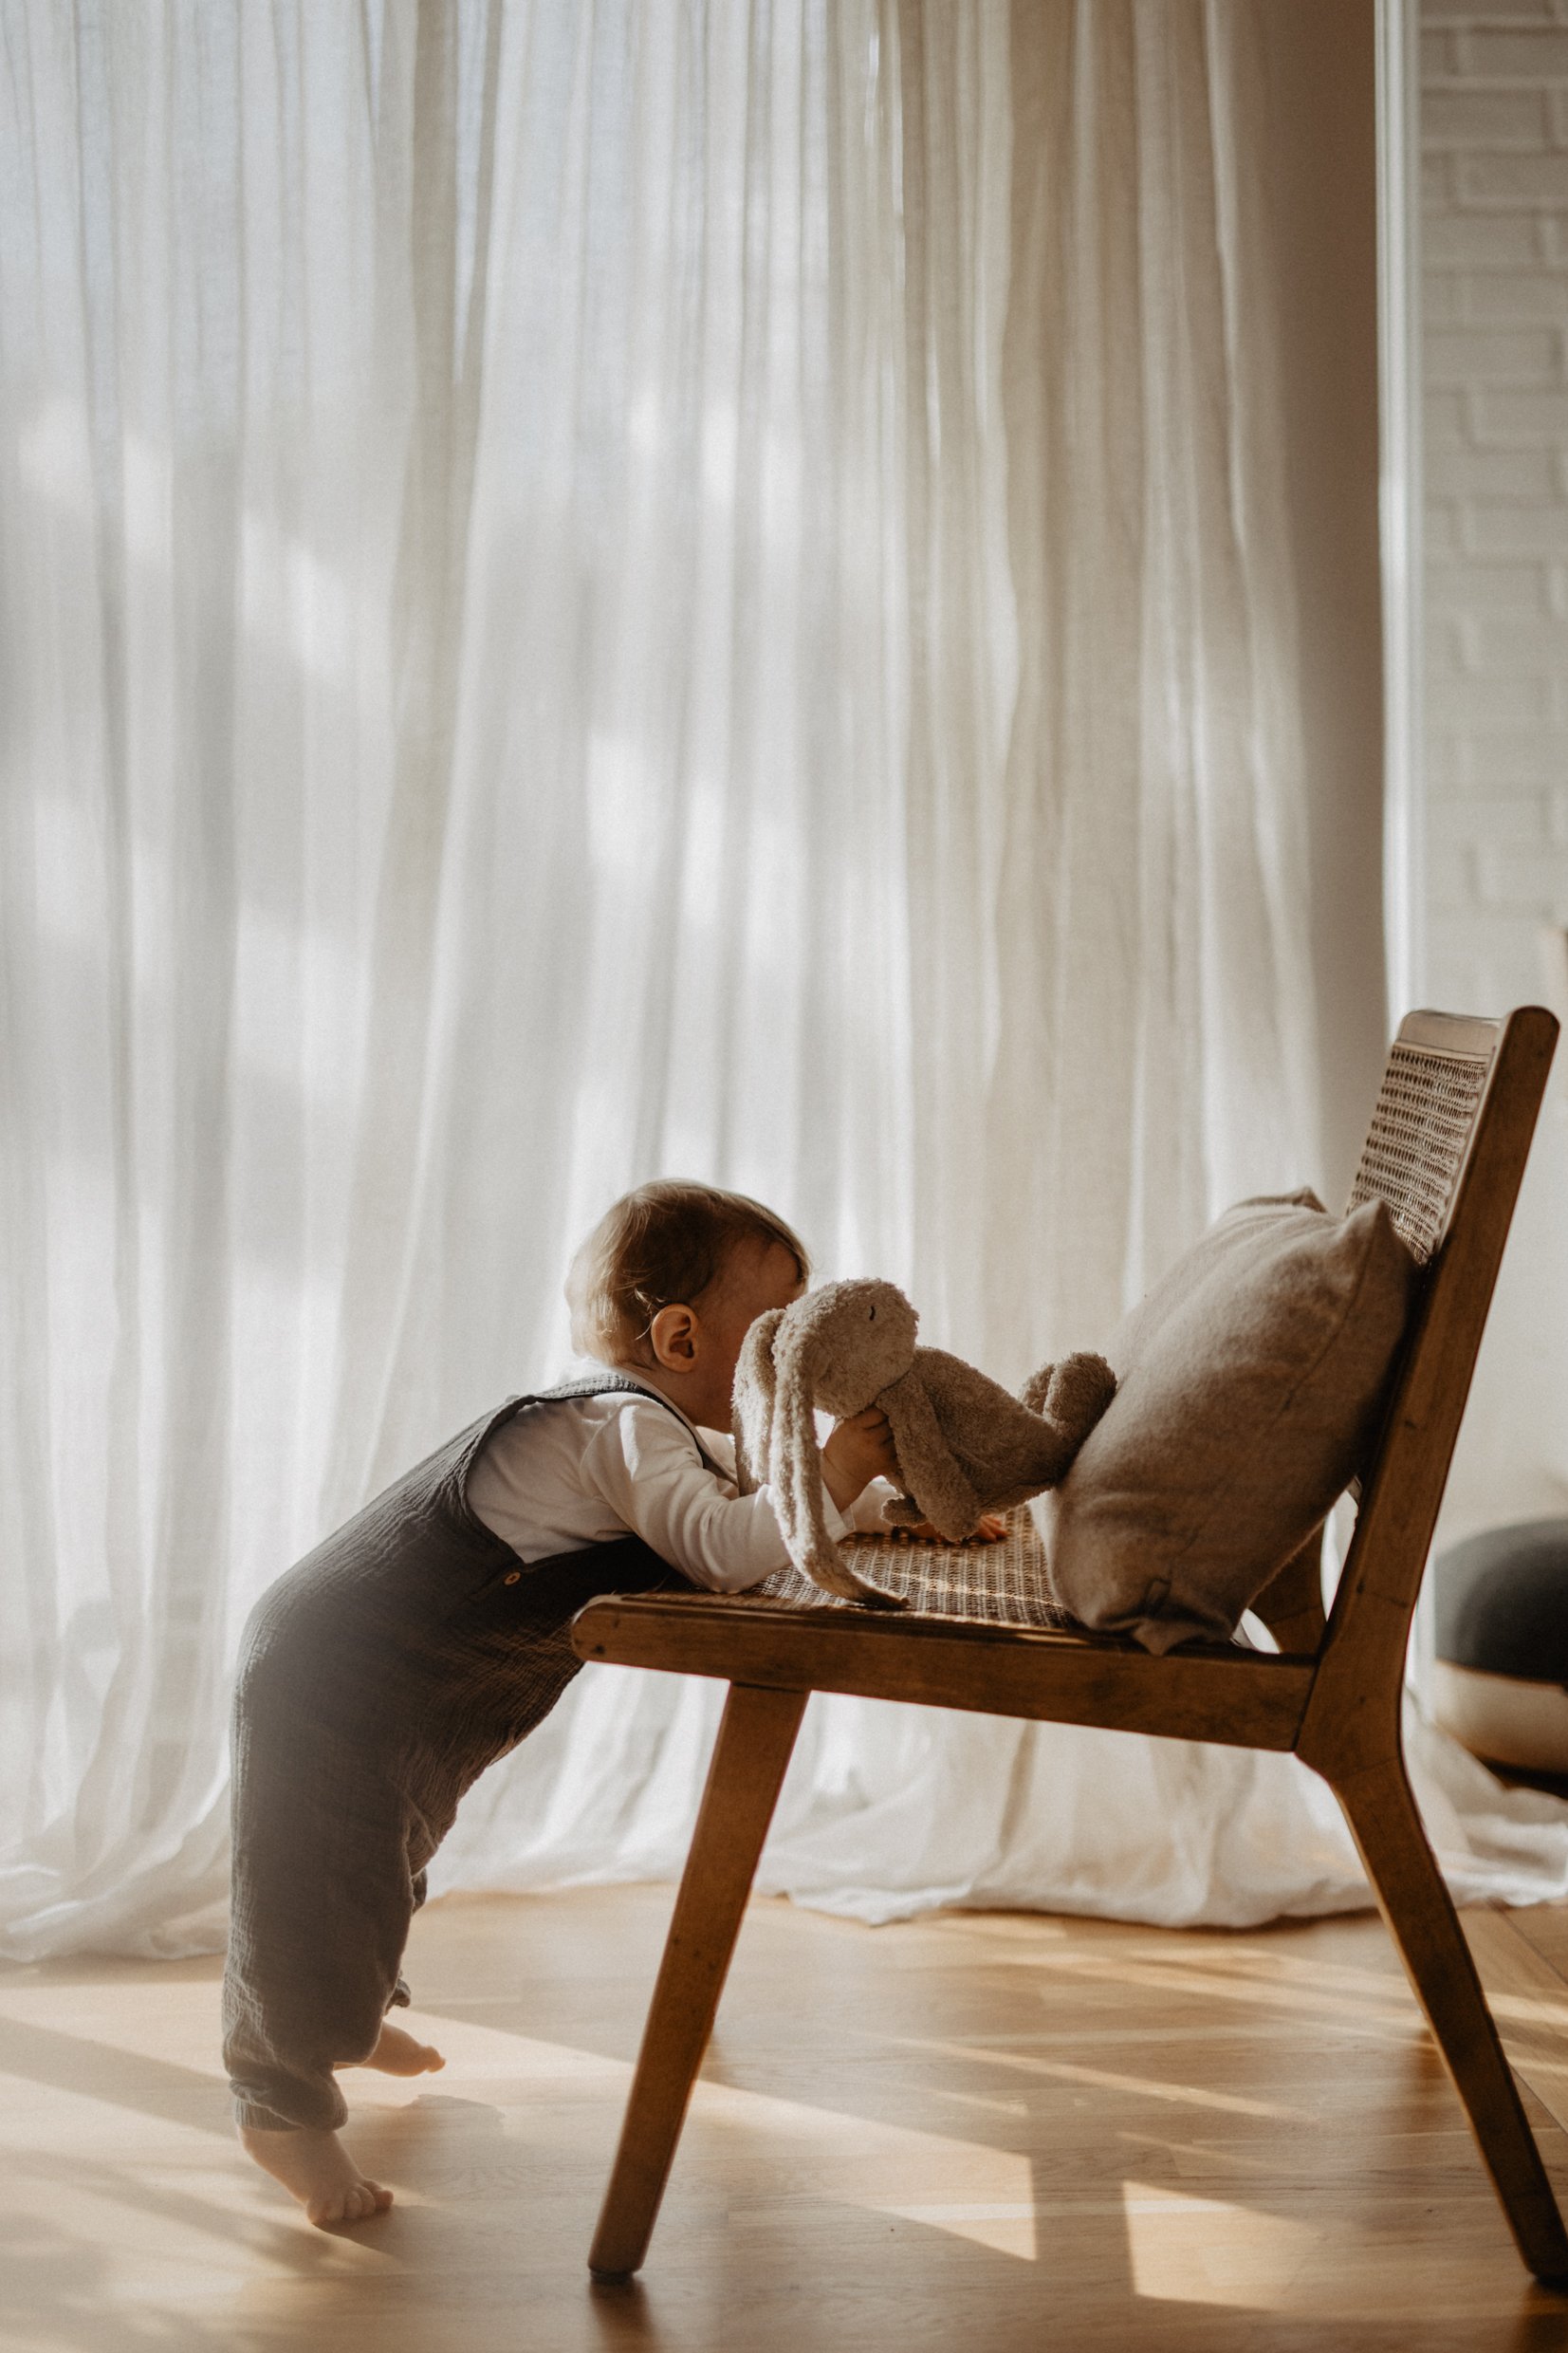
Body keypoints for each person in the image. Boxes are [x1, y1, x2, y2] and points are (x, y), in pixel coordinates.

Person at [224, 1180, 919, 2227]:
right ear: (679, 1337)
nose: (796, 1365)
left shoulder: (663, 1433)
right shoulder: (617, 1426)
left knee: (385, 1852)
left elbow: (760, 1503)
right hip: (335, 1668)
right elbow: (725, 1548)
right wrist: (839, 1465)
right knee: (315, 1878)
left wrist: (881, 1506)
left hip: (406, 1677)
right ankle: (281, 2108)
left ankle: (349, 2021)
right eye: (777, 1334)